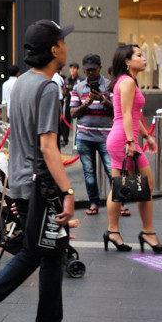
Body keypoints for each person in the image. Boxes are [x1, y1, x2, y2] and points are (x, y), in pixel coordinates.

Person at [0, 19, 89, 322]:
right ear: (53, 49)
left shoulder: (20, 84)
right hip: (42, 184)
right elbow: (48, 146)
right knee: (44, 254)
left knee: (43, 252)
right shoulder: (48, 88)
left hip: (20, 183)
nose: (65, 46)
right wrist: (68, 192)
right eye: (62, 41)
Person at [104, 45, 162, 254]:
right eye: (139, 55)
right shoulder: (128, 82)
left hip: (118, 137)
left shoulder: (123, 81)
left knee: (118, 186)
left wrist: (147, 136)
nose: (144, 59)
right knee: (146, 183)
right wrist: (132, 142)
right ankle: (148, 232)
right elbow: (127, 115)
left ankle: (113, 231)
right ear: (127, 61)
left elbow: (131, 113)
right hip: (124, 139)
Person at [69, 54, 113, 217]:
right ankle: (93, 202)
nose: (90, 73)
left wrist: (102, 99)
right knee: (89, 172)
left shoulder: (109, 86)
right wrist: (86, 102)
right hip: (85, 137)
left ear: (100, 68)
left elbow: (116, 110)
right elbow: (73, 113)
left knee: (112, 171)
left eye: (93, 70)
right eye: (87, 71)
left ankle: (119, 203)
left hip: (106, 137)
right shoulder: (78, 88)